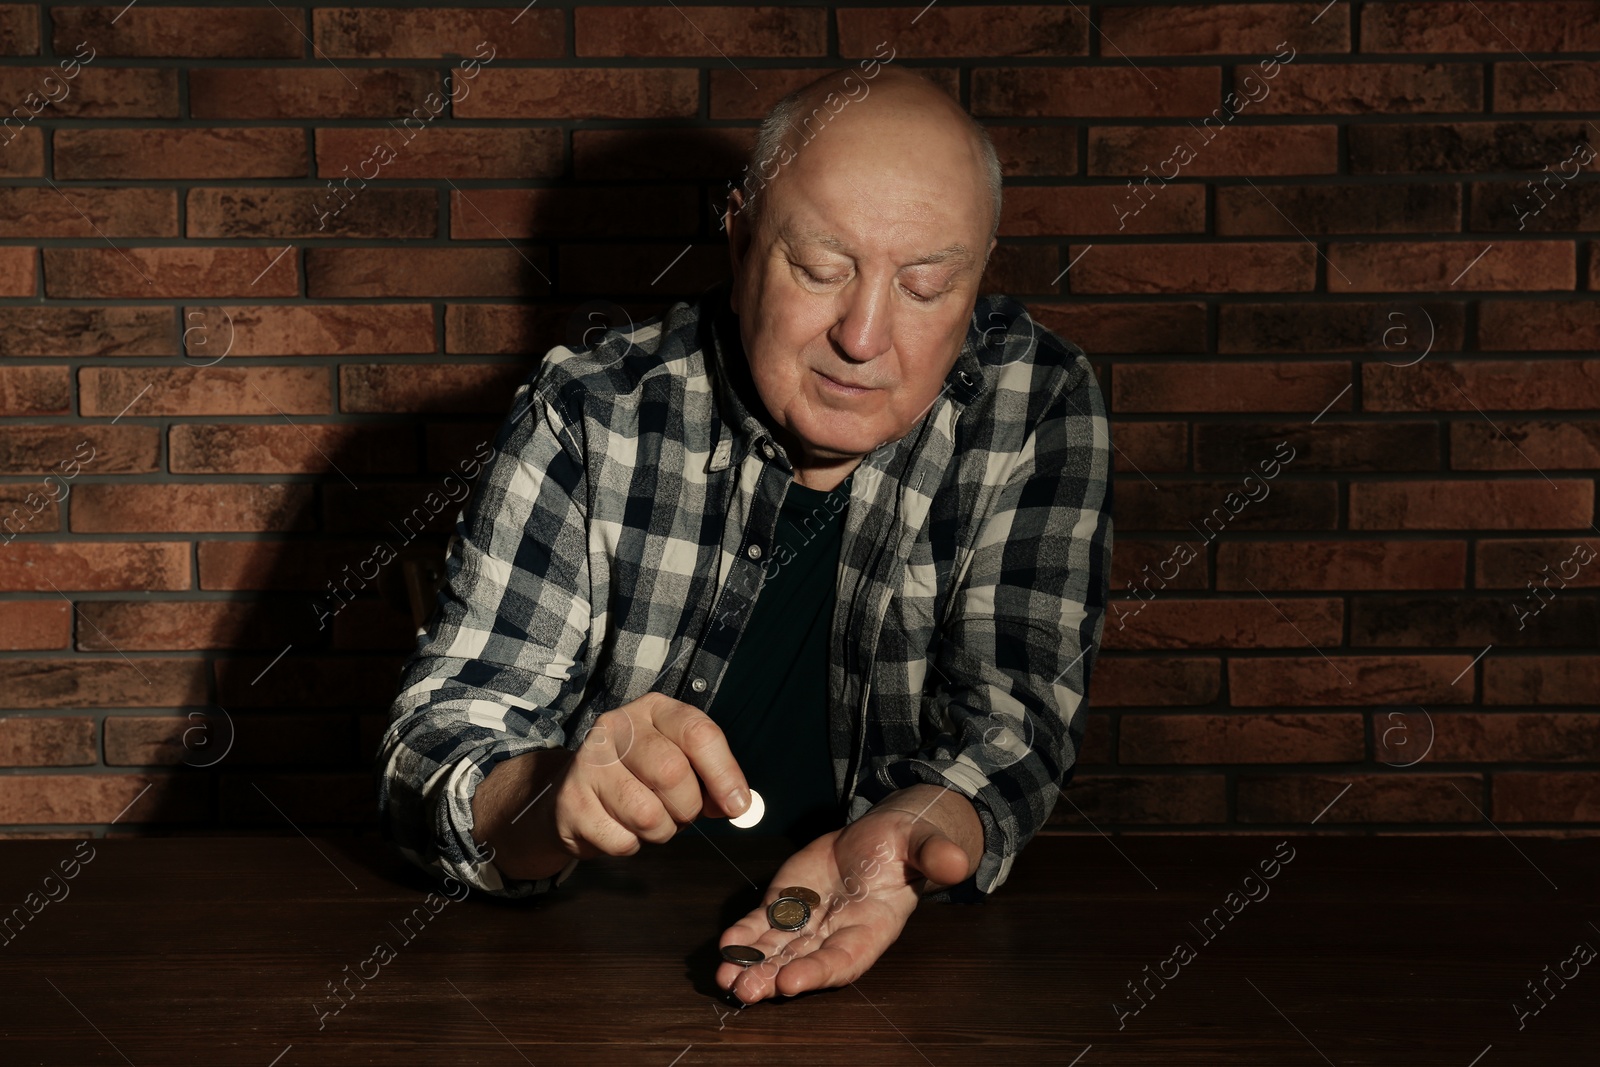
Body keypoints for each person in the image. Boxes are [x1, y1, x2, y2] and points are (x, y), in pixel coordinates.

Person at [377, 64, 1113, 1005]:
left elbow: (1014, 723)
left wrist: (920, 824)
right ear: (739, 237)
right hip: (576, 977)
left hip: (904, 974)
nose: (864, 334)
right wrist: (548, 792)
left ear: (978, 278)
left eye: (928, 285)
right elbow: (432, 751)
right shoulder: (591, 412)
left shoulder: (1038, 402)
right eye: (819, 268)